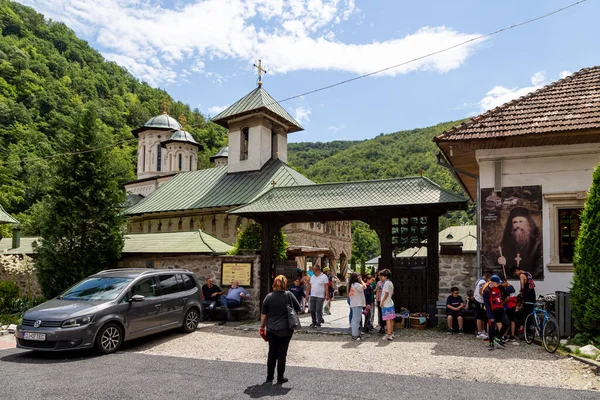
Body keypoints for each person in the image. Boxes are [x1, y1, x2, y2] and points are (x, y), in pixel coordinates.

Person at [260, 275, 301, 385]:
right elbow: (299, 308)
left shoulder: (268, 297)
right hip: (286, 328)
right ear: (285, 283)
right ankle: (280, 378)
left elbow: (264, 314)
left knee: (272, 352)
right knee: (282, 353)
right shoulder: (289, 295)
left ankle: (269, 377)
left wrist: (261, 327)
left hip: (271, 329)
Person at [498, 207, 543, 280]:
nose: (517, 226)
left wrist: (524, 276)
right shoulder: (506, 244)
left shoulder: (537, 243)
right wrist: (503, 264)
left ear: (528, 223)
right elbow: (503, 271)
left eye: (521, 221)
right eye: (515, 222)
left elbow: (539, 269)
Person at [483, 275, 509, 351]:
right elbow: (486, 304)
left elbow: (504, 295)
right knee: (492, 326)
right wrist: (489, 315)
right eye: (497, 283)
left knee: (506, 323)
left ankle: (498, 338)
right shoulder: (487, 290)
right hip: (492, 310)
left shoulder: (500, 288)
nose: (498, 284)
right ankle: (491, 343)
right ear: (492, 282)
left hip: (500, 309)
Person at [510, 265, 536, 331]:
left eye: (514, 273)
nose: (515, 275)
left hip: (527, 295)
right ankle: (530, 326)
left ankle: (525, 328)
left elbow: (522, 286)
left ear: (516, 270)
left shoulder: (521, 275)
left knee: (526, 312)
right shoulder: (528, 273)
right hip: (533, 294)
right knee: (531, 311)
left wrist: (521, 293)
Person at [307, 265, 329, 329]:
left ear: (317, 270)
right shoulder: (312, 277)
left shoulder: (324, 277)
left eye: (313, 269)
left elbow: (326, 286)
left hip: (320, 296)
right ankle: (314, 322)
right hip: (313, 295)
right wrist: (307, 294)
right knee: (312, 310)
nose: (312, 270)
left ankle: (318, 323)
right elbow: (309, 286)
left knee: (318, 310)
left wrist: (326, 295)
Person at [348, 273, 366, 341]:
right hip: (357, 303)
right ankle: (355, 335)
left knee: (354, 319)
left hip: (354, 303)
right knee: (356, 320)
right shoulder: (356, 284)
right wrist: (361, 280)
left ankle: (355, 334)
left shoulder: (352, 284)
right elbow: (364, 287)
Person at [473, 272, 491, 339]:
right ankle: (479, 332)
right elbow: (481, 292)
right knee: (479, 316)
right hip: (479, 300)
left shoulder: (479, 280)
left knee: (483, 316)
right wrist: (486, 298)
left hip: (478, 299)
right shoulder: (483, 282)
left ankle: (482, 331)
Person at [379, 269, 395, 341]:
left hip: (386, 304)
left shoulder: (386, 283)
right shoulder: (390, 283)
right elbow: (392, 292)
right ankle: (391, 333)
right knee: (391, 319)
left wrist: (382, 301)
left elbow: (386, 293)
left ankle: (388, 334)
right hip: (390, 303)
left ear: (385, 276)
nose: (380, 277)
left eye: (381, 276)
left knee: (387, 320)